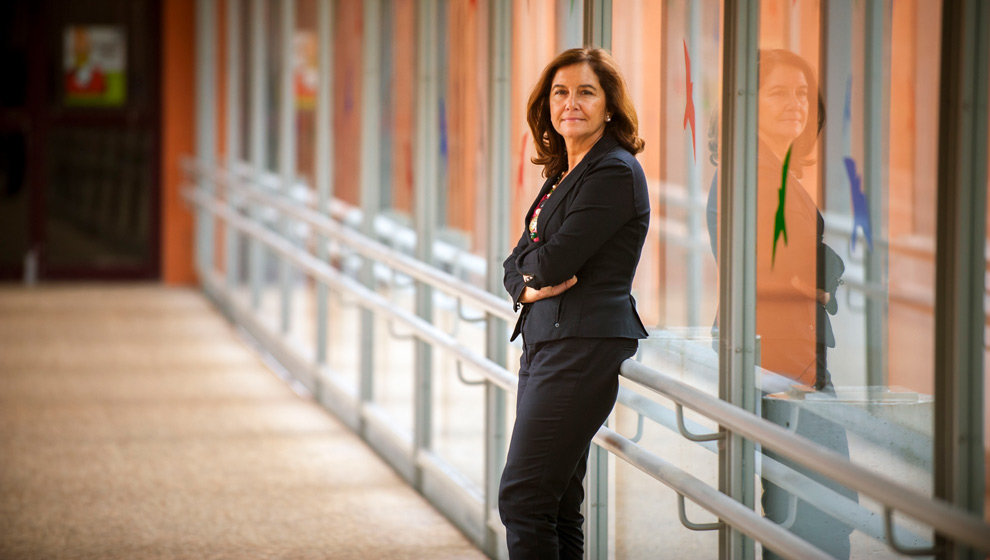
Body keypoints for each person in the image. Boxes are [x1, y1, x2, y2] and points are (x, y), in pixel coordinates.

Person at [498, 47, 650, 559]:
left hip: (580, 347)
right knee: (556, 503)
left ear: (609, 106)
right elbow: (515, 262)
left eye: (586, 91)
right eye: (560, 93)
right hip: (546, 343)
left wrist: (530, 275)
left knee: (522, 499)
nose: (571, 103)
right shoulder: (561, 174)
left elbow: (552, 262)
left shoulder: (613, 172)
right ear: (548, 106)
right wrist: (526, 283)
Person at [705, 49, 855, 559]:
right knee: (817, 515)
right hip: (784, 365)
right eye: (778, 92)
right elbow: (769, 274)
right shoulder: (752, 177)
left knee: (807, 509)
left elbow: (798, 270)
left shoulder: (772, 171)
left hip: (786, 358)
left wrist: (813, 274)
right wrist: (814, 276)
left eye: (800, 93)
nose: (795, 103)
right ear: (746, 104)